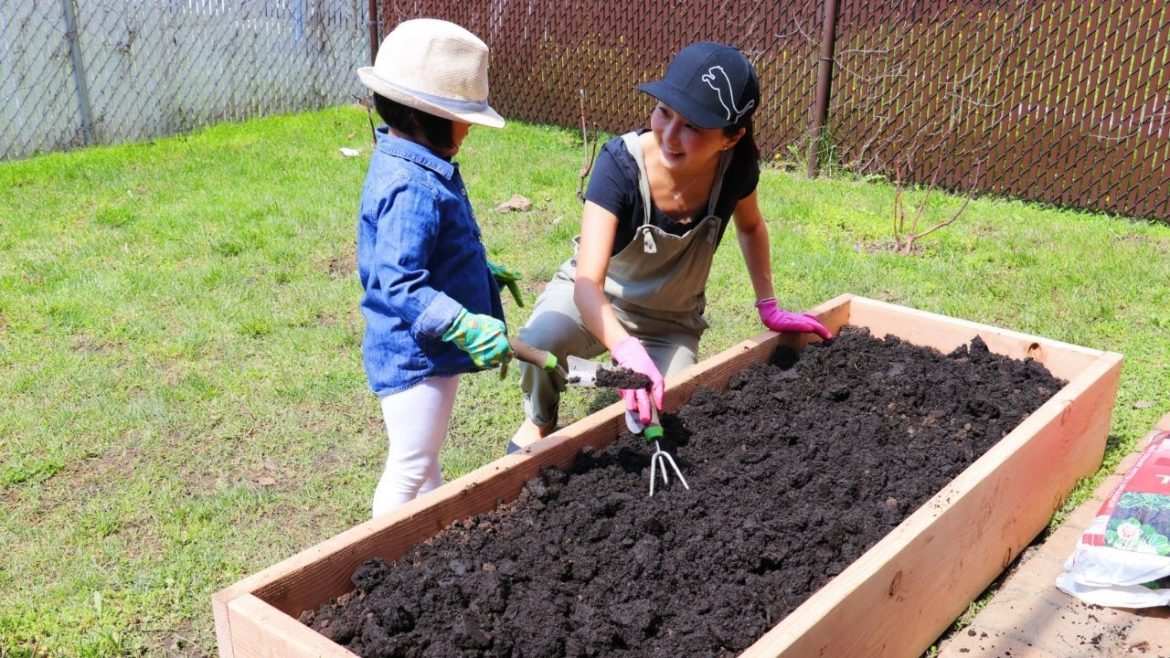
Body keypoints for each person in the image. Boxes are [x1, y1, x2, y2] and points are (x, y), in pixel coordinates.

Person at [510, 41, 832, 450]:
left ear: (731, 138)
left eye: (693, 126)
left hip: (670, 324)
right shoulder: (620, 166)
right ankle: (540, 420)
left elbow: (750, 227)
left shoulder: (736, 170)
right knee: (540, 340)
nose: (670, 135)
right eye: (664, 112)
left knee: (668, 415)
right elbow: (587, 285)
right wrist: (624, 348)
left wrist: (768, 307)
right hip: (596, 302)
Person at [356, 18, 517, 516]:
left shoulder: (405, 161)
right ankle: (378, 561)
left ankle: (430, 542)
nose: (469, 127)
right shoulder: (413, 186)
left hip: (419, 351)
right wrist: (463, 323)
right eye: (462, 116)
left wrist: (475, 267)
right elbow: (400, 281)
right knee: (409, 465)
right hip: (415, 355)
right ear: (426, 115)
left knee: (426, 466)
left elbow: (424, 251)